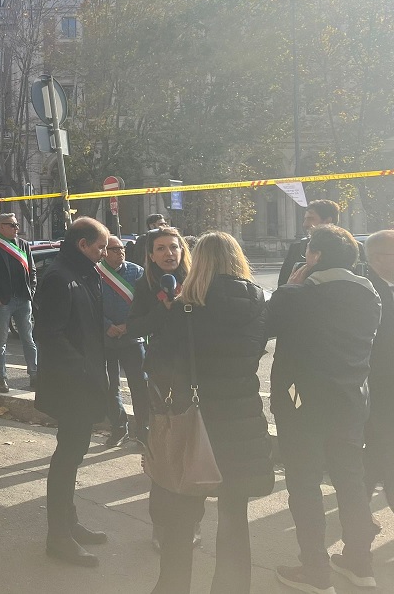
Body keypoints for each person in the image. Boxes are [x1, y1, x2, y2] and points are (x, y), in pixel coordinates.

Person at [141, 232, 274, 594]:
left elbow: (156, 365)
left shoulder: (184, 308)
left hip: (194, 422)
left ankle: (172, 588)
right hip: (242, 422)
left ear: (198, 261)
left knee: (180, 519)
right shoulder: (259, 305)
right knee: (234, 517)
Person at [267, 225, 381, 593]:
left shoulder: (298, 295)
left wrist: (290, 287)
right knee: (350, 481)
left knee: (304, 485)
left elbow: (264, 327)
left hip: (302, 403)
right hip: (350, 401)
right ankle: (360, 564)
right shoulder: (370, 295)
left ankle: (315, 570)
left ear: (314, 256)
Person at [34, 217, 111, 567]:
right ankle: (58, 537)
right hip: (72, 386)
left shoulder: (85, 272)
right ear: (82, 244)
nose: (104, 252)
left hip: (86, 381)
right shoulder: (59, 277)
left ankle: (70, 523)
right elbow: (49, 335)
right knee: (67, 458)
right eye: (100, 246)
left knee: (73, 454)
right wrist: (83, 369)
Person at [126, 227, 201, 551]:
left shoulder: (197, 280)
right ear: (151, 255)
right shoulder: (146, 285)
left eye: (173, 247)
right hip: (161, 376)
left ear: (183, 251)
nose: (169, 253)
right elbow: (135, 326)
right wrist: (163, 309)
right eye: (161, 248)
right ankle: (162, 525)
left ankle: (192, 522)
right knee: (164, 449)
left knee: (192, 448)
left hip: (194, 375)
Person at [363, 230, 394, 557]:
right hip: (379, 398)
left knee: (374, 467)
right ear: (377, 258)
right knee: (392, 470)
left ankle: (356, 541)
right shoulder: (363, 293)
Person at [0, 212, 38, 392]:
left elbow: (32, 271)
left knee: (28, 339)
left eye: (16, 225)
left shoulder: (23, 245)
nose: (16, 228)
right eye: (12, 225)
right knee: (1, 342)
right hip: (3, 302)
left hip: (23, 300)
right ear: (0, 227)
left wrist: (31, 291)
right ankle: (1, 378)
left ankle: (34, 374)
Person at [98, 235, 148, 446]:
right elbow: (89, 304)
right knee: (110, 387)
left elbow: (145, 305)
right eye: (115, 249)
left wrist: (129, 326)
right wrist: (106, 326)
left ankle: (144, 431)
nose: (120, 252)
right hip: (106, 339)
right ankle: (119, 428)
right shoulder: (95, 273)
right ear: (104, 252)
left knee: (140, 386)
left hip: (132, 339)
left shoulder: (137, 272)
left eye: (122, 249)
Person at [277, 199, 340, 287]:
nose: (305, 224)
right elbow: (282, 285)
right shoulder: (297, 249)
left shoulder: (351, 249)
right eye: (305, 219)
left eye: (310, 219)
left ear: (327, 221)